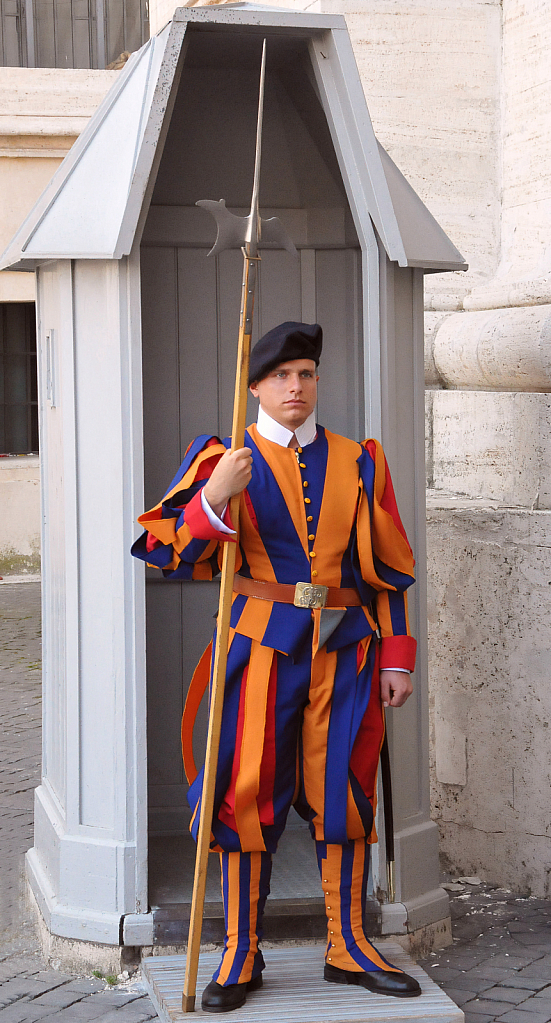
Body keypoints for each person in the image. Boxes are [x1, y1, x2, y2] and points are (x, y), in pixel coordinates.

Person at [132, 321, 421, 1011]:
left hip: (346, 651)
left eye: (306, 373)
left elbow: (388, 572)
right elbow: (160, 549)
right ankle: (239, 948)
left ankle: (346, 944)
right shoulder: (222, 459)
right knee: (245, 794)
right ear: (254, 385)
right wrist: (211, 500)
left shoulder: (360, 462)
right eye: (281, 375)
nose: (295, 386)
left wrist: (397, 656)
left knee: (344, 795)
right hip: (258, 650)